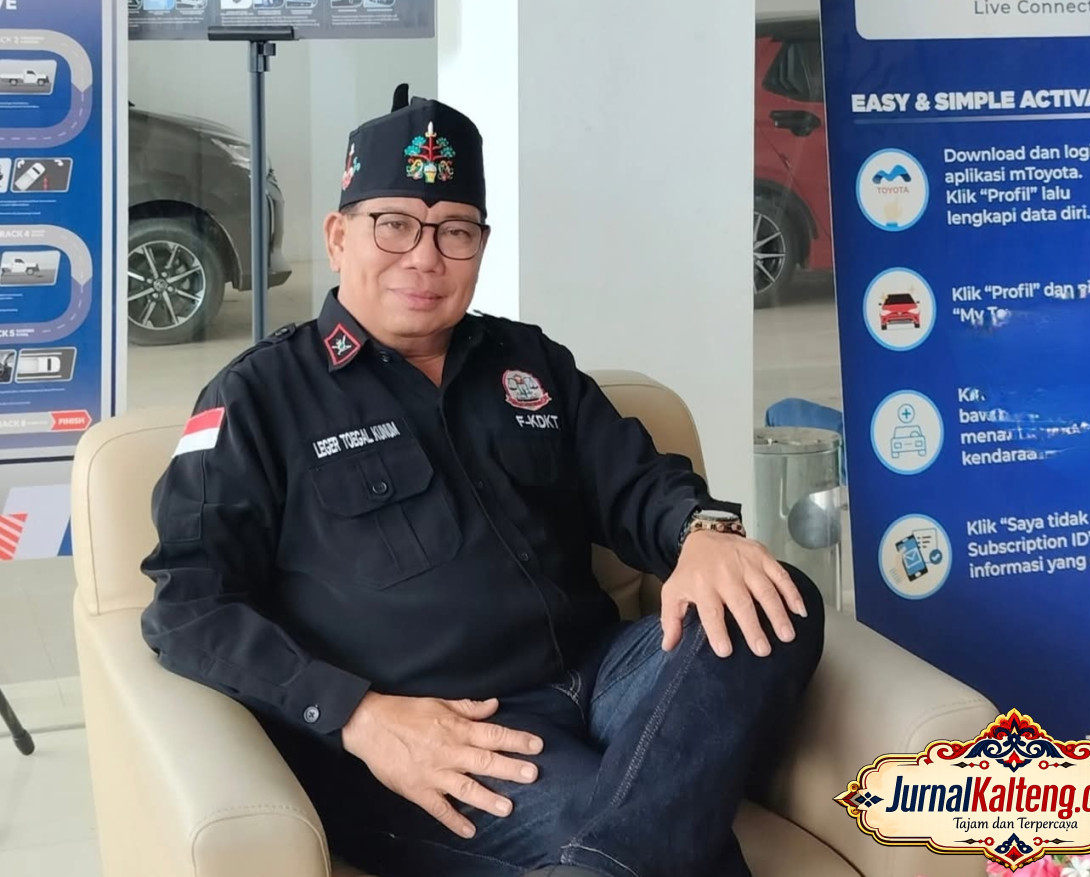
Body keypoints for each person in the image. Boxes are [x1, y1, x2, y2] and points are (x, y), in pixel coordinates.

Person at [140, 86, 825, 877]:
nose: (424, 256)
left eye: (455, 231)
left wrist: (703, 531)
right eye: (393, 224)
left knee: (776, 600)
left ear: (481, 245)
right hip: (444, 728)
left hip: (602, 674)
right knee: (627, 830)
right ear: (337, 236)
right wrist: (359, 715)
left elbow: (638, 483)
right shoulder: (258, 396)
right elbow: (188, 604)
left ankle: (614, 852)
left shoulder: (528, 362)